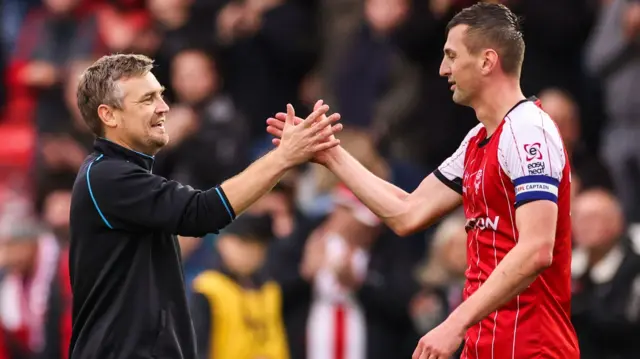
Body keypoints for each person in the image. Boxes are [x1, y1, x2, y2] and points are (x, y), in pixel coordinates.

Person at [266, 3, 578, 359]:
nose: (443, 69)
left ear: (487, 61)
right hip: (485, 345)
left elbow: (537, 249)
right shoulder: (478, 139)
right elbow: (407, 212)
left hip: (532, 348)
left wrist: (453, 323)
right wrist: (330, 154)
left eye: (451, 55)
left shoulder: (528, 131)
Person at [69, 53, 342, 359]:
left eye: (161, 95)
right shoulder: (108, 175)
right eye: (148, 99)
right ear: (109, 115)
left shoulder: (119, 173)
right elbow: (201, 212)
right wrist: (284, 157)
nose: (164, 107)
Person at [190, 213, 289, 359]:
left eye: (259, 244)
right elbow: (198, 348)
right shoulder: (208, 288)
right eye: (244, 242)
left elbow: (278, 342)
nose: (252, 251)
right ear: (222, 242)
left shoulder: (270, 289)